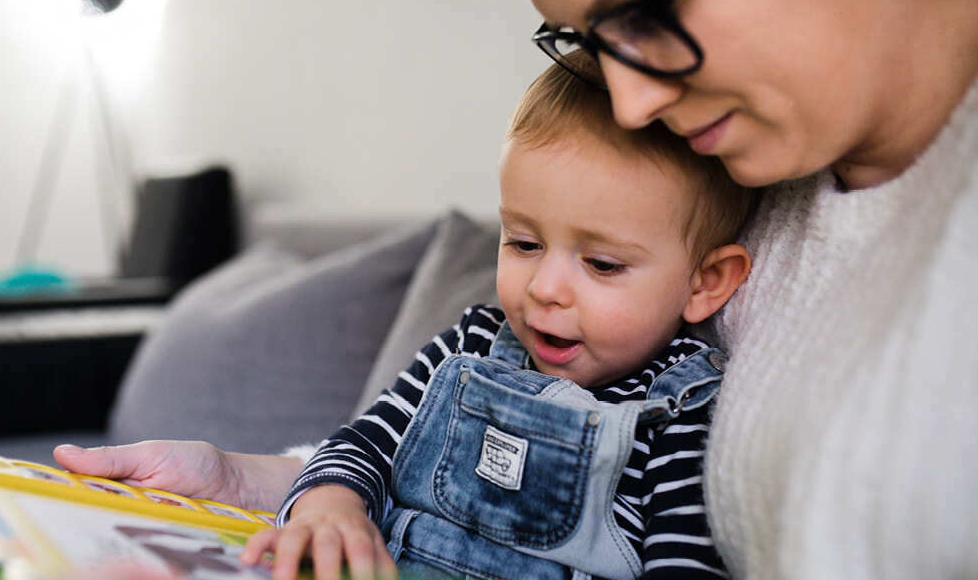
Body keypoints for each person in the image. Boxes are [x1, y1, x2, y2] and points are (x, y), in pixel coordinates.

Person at [58, 0, 978, 578]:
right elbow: (379, 445)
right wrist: (253, 482)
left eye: (648, 8)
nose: (632, 103)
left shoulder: (676, 390)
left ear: (709, 283)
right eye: (576, 36)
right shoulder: (736, 166)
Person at [236, 58, 756, 580]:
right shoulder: (470, 345)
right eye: (524, 243)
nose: (544, 289)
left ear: (705, 283)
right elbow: (364, 445)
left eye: (602, 264)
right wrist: (330, 509)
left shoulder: (680, 410)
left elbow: (687, 565)